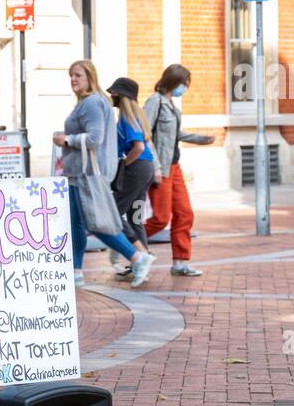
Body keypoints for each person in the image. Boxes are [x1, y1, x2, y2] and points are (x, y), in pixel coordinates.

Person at [53, 60, 155, 288]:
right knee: (77, 224)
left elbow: (94, 139)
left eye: (78, 75)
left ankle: (137, 257)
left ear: (90, 77)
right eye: (71, 75)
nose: (73, 79)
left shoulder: (92, 103)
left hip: (88, 173)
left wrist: (66, 139)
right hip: (79, 173)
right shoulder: (89, 103)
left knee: (95, 223)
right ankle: (76, 271)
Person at [142, 64, 216, 277]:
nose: (185, 88)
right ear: (173, 81)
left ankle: (180, 263)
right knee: (160, 218)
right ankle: (128, 246)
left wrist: (200, 140)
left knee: (185, 213)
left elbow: (176, 134)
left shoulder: (172, 106)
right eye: (184, 83)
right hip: (161, 169)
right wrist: (155, 166)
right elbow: (144, 135)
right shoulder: (154, 102)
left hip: (174, 167)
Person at [106, 77, 157, 278]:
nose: (112, 96)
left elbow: (138, 147)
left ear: (122, 96)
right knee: (135, 218)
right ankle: (142, 264)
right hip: (146, 170)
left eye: (114, 93)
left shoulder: (127, 118)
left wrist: (124, 165)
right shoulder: (137, 116)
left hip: (136, 171)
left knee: (113, 213)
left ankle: (140, 255)